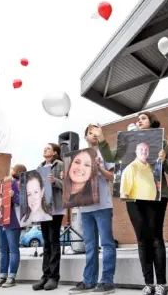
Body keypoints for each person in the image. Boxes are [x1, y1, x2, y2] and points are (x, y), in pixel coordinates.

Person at [91, 112, 168, 295]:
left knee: (155, 237)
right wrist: (103, 139)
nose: (139, 120)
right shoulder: (128, 142)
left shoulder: (162, 141)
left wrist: (164, 160)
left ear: (152, 122)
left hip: (156, 195)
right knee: (142, 239)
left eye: (143, 118)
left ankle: (161, 283)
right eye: (137, 119)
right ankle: (148, 283)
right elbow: (112, 158)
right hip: (134, 196)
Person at [67, 124, 117, 294]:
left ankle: (107, 281)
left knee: (107, 244)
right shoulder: (79, 156)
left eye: (96, 131)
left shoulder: (105, 152)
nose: (93, 134)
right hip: (85, 207)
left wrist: (99, 168)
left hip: (103, 205)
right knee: (90, 246)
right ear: (86, 137)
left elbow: (112, 177)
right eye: (89, 132)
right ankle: (89, 281)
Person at [32, 143, 65, 291]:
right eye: (44, 148)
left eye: (48, 148)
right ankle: (45, 276)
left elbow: (67, 185)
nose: (44, 149)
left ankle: (54, 277)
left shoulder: (61, 165)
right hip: (43, 209)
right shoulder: (39, 167)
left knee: (54, 241)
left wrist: (55, 181)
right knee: (46, 243)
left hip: (56, 209)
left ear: (55, 152)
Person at [0, 164, 27, 288]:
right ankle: (2, 275)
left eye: (13, 169)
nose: (11, 170)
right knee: (3, 250)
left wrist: (14, 196)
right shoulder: (4, 184)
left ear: (18, 171)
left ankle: (12, 276)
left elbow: (24, 203)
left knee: (13, 249)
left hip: (13, 220)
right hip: (2, 219)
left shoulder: (18, 184)